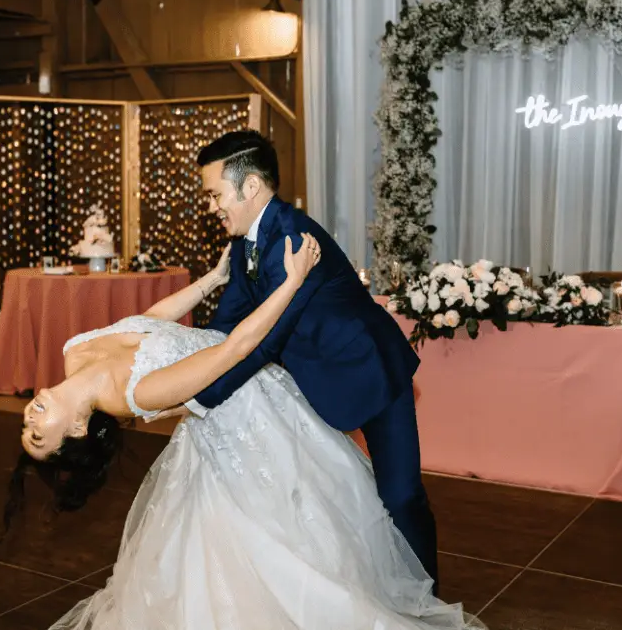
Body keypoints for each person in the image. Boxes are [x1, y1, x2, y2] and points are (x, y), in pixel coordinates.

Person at [7, 235, 481, 629]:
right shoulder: (135, 394)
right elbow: (234, 349)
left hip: (246, 391)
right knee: (276, 534)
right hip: (247, 411)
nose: (30, 419)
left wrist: (211, 280)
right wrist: (292, 282)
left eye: (26, 427)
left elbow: (147, 322)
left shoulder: (73, 353)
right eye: (39, 435)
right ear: (77, 428)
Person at [183, 130, 442, 591]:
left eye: (214, 194)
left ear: (250, 186)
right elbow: (226, 327)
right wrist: (186, 365)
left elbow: (264, 342)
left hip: (371, 368)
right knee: (326, 498)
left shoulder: (294, 239)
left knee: (401, 497)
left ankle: (426, 600)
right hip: (315, 378)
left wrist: (199, 395)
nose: (211, 206)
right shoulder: (245, 243)